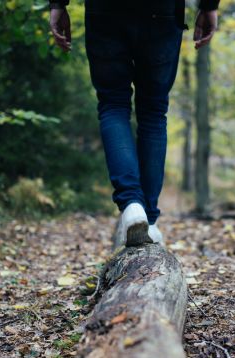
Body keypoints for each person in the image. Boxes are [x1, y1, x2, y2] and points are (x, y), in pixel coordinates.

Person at [49, 0, 219, 246]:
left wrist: (57, 4)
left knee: (113, 105)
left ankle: (132, 206)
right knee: (153, 112)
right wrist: (209, 6)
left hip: (105, 11)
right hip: (162, 11)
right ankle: (148, 220)